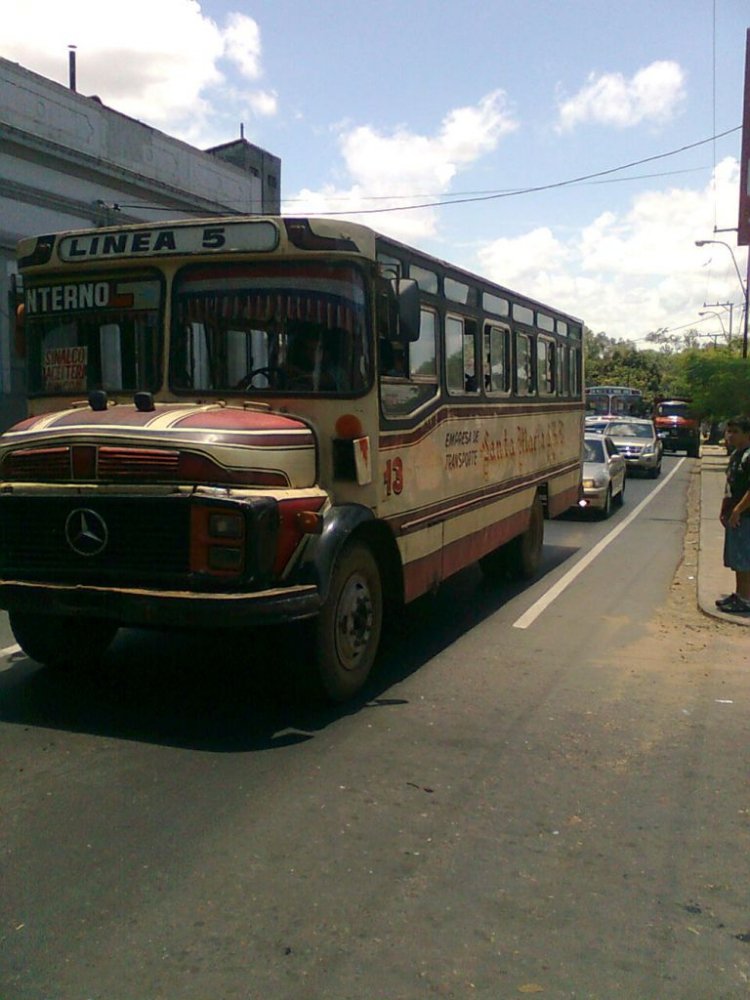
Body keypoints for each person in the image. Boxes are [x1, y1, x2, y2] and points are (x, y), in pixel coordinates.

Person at [715, 415, 750, 613]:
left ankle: (746, 599)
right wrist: (725, 509)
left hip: (746, 516)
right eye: (729, 431)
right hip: (735, 515)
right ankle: (739, 595)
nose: (730, 436)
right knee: (736, 558)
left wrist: (738, 510)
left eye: (736, 432)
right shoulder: (737, 455)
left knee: (745, 558)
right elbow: (730, 486)